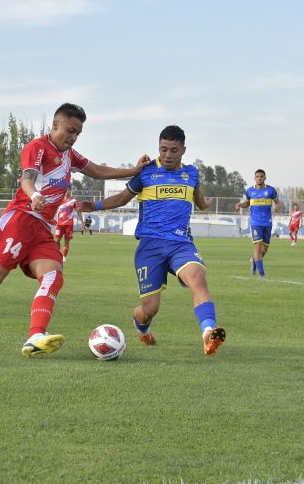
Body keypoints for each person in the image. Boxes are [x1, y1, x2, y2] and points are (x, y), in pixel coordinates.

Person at [0, 103, 151, 358]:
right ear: (55, 125)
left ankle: (35, 336)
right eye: (70, 130)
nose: (73, 137)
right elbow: (27, 179)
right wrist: (34, 196)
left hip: (42, 228)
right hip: (20, 219)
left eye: (77, 133)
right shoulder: (37, 148)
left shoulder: (70, 155)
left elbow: (98, 170)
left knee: (54, 275)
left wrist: (133, 171)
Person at [81, 125, 226, 356]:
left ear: (184, 150)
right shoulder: (146, 173)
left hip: (181, 243)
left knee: (198, 278)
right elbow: (121, 198)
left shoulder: (192, 174)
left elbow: (198, 199)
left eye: (174, 150)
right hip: (151, 246)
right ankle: (142, 326)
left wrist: (204, 204)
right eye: (163, 149)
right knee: (150, 308)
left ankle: (208, 333)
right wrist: (95, 206)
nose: (168, 155)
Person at [235, 169, 280, 278]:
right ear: (255, 178)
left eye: (261, 176)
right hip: (255, 222)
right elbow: (247, 203)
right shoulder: (250, 191)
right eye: (257, 176)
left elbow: (277, 202)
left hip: (268, 223)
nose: (259, 178)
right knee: (258, 247)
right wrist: (240, 205)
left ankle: (255, 262)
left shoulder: (270, 190)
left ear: (265, 178)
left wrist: (276, 208)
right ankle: (262, 274)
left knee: (264, 249)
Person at [53, 188, 85, 262]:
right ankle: (58, 255)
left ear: (70, 191)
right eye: (66, 190)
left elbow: (78, 212)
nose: (67, 192)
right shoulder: (59, 199)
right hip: (59, 224)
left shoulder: (74, 201)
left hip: (69, 224)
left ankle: (64, 257)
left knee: (67, 241)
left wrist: (82, 222)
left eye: (68, 190)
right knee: (56, 240)